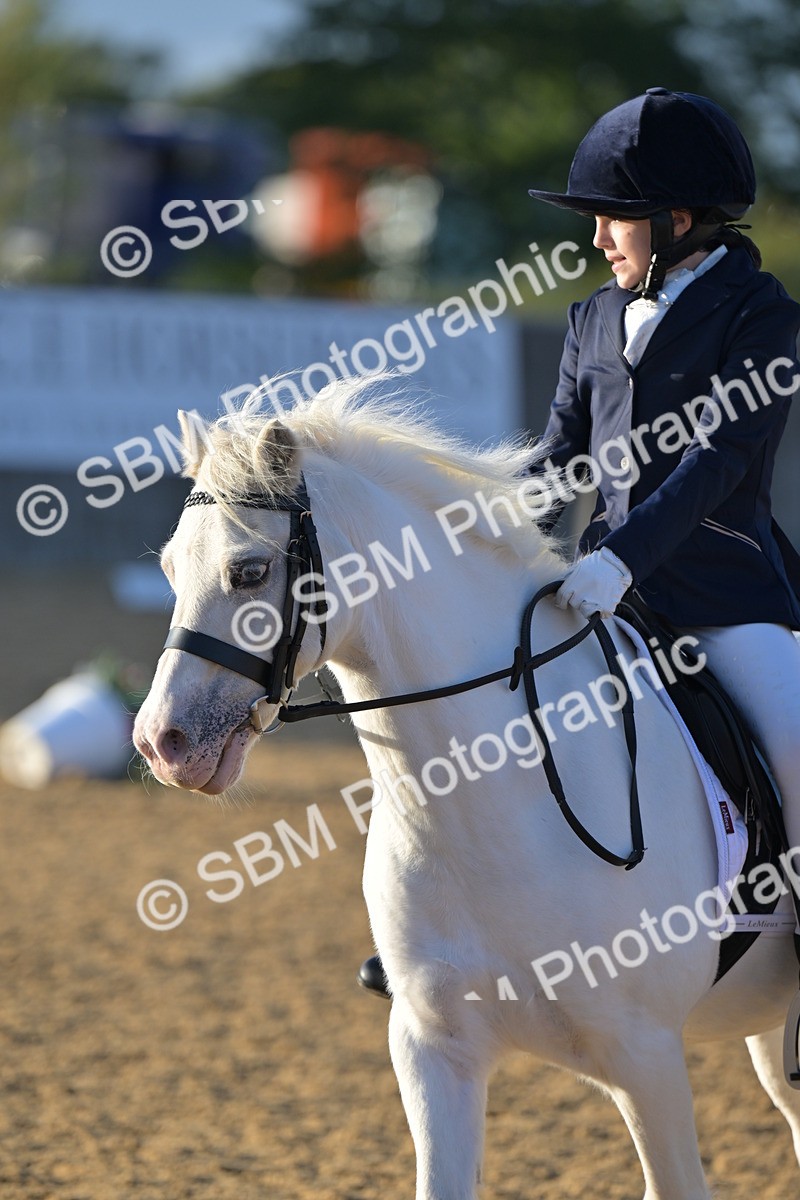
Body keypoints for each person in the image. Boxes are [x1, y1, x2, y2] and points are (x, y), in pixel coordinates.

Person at [358, 86, 800, 1000]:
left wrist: (621, 557)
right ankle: (445, 927)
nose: (599, 238)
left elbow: (718, 462)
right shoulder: (593, 318)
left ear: (678, 220)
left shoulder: (763, 316)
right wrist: (471, 536)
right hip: (600, 593)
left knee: (795, 747)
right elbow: (559, 458)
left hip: (724, 595)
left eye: (614, 219)